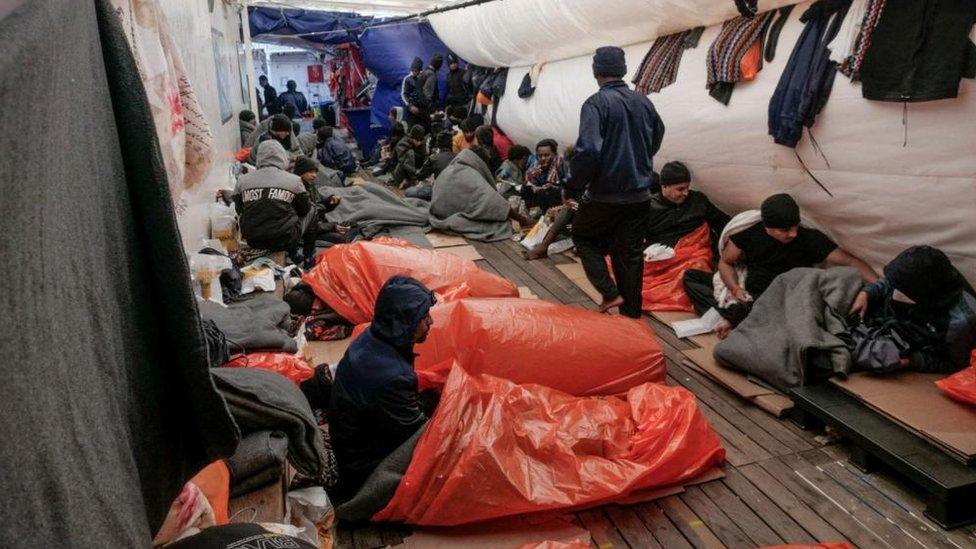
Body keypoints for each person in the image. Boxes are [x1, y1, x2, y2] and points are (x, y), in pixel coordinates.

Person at [686, 193, 878, 338]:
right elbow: (725, 262)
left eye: (795, 226)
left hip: (783, 296)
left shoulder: (809, 239)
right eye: (785, 230)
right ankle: (730, 316)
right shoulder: (749, 234)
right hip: (750, 293)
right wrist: (735, 288)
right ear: (767, 227)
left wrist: (880, 285)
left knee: (760, 308)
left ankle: (733, 318)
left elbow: (849, 261)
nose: (793, 234)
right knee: (690, 277)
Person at [566, 46, 665, 318]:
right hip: (640, 196)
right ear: (623, 70)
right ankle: (631, 318)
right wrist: (639, 160)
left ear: (596, 71)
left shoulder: (596, 104)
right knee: (629, 257)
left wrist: (573, 185)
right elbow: (657, 135)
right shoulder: (644, 101)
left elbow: (588, 150)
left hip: (605, 195)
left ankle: (610, 293)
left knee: (583, 236)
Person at [328, 275, 437, 502]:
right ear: (404, 323)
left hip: (351, 441)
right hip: (363, 467)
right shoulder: (393, 377)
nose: (431, 322)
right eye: (424, 317)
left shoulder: (372, 337)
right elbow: (417, 434)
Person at [848, 245, 975, 373]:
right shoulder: (927, 269)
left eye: (903, 290)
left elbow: (954, 364)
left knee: (879, 357)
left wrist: (913, 361)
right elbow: (890, 281)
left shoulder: (960, 323)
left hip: (908, 341)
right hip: (881, 315)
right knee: (844, 282)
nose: (896, 292)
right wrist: (866, 294)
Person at [429, 146, 535, 241]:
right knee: (498, 226)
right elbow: (494, 202)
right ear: (480, 162)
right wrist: (523, 220)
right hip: (446, 214)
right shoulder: (468, 173)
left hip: (438, 210)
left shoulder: (455, 168)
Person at [233, 140, 310, 253]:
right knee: (313, 209)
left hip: (253, 240)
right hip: (285, 240)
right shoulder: (294, 180)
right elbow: (304, 209)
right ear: (282, 156)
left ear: (259, 157)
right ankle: (307, 256)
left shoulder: (242, 180)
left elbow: (239, 209)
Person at [646, 161, 729, 249]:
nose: (686, 193)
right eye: (680, 189)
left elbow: (723, 222)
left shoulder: (698, 200)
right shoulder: (649, 207)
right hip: (660, 256)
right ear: (664, 187)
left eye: (687, 188)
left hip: (696, 253)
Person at [292, 157, 348, 265]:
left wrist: (331, 200)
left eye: (315, 172)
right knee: (339, 238)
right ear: (301, 172)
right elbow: (308, 221)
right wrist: (332, 226)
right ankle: (308, 257)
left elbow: (322, 202)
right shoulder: (298, 191)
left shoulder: (311, 186)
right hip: (306, 231)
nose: (314, 175)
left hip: (316, 225)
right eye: (310, 172)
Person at [522, 138, 567, 214]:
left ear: (554, 154)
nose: (543, 158)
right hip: (546, 209)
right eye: (540, 156)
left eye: (546, 155)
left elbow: (571, 190)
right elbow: (526, 192)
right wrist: (528, 181)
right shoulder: (535, 169)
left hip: (562, 208)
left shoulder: (563, 166)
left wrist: (554, 188)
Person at [392, 125, 427, 189]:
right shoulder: (403, 143)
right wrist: (415, 176)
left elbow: (423, 157)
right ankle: (409, 181)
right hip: (401, 172)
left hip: (415, 172)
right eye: (417, 139)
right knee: (410, 153)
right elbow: (405, 164)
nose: (419, 142)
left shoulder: (421, 143)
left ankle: (411, 181)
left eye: (420, 140)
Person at [401, 57, 427, 129]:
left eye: (416, 70)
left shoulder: (423, 78)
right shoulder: (407, 79)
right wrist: (410, 106)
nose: (414, 72)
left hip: (422, 110)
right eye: (413, 70)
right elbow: (403, 94)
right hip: (412, 111)